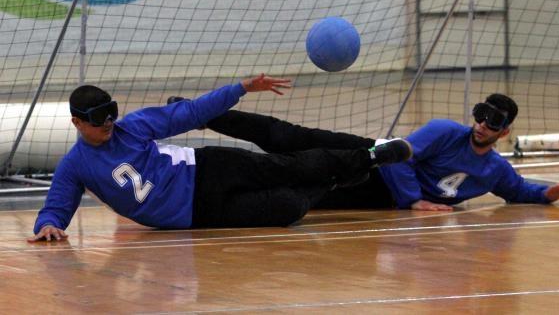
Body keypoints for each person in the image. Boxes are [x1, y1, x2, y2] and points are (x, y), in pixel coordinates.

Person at [28, 74, 413, 242]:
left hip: (208, 170)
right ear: (77, 122)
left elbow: (191, 113)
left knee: (290, 165)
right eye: (98, 120)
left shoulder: (134, 126)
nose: (109, 123)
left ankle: (369, 157)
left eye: (111, 112)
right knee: (286, 209)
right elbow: (57, 205)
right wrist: (48, 225)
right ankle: (334, 180)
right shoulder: (76, 165)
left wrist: (240, 88)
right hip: (197, 217)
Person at [186, 93, 559, 212]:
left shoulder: (492, 169)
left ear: (504, 132)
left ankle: (205, 186)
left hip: (372, 194)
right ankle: (205, 114)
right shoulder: (444, 131)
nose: (481, 126)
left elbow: (517, 188)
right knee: (288, 137)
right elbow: (400, 155)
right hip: (368, 158)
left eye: (493, 123)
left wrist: (546, 192)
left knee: (291, 178)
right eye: (479, 116)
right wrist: (414, 201)